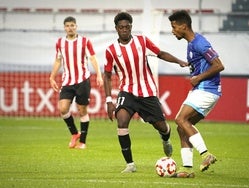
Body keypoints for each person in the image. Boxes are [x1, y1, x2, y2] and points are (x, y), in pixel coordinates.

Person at [103, 12, 188, 173]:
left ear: (131, 27)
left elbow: (160, 53)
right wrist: (109, 100)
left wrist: (178, 61)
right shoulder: (111, 51)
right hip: (127, 91)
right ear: (116, 29)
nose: (124, 30)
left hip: (147, 92)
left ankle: (165, 137)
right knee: (121, 122)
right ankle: (130, 164)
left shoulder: (141, 41)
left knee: (161, 126)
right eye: (121, 27)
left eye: (127, 27)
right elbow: (107, 75)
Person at [168, 10, 225, 178]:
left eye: (174, 26)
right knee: (182, 128)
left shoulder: (200, 43)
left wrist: (198, 77)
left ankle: (206, 154)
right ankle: (187, 169)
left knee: (180, 119)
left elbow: (219, 65)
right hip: (203, 89)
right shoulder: (191, 44)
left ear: (183, 26)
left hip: (207, 89)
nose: (172, 31)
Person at [49, 16, 103, 149]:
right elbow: (58, 60)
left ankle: (83, 142)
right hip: (67, 81)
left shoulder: (84, 41)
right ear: (64, 28)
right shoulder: (60, 42)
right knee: (62, 108)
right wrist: (52, 77)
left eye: (72, 25)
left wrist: (99, 75)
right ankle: (74, 133)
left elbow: (93, 58)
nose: (70, 28)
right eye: (67, 25)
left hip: (82, 80)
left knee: (82, 110)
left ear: (76, 27)